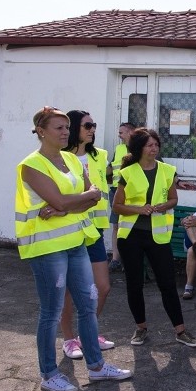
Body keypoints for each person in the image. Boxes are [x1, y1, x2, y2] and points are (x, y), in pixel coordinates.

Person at [15, 106, 132, 391]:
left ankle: (96, 365)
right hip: (47, 248)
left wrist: (64, 205)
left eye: (67, 127)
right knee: (51, 312)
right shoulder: (32, 164)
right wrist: (69, 202)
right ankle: (49, 373)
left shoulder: (71, 158)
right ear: (41, 131)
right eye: (59, 127)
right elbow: (72, 199)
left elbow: (93, 196)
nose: (66, 132)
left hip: (76, 241)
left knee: (88, 304)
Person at [112, 128, 196, 348]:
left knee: (168, 284)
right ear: (139, 148)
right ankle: (140, 328)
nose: (154, 148)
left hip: (157, 237)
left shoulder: (167, 170)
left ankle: (180, 331)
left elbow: (173, 199)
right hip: (131, 236)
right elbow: (117, 206)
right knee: (134, 284)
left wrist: (163, 206)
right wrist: (139, 210)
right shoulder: (127, 172)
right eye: (149, 145)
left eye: (156, 145)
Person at [58, 111, 115, 359]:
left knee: (102, 287)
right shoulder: (59, 158)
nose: (92, 130)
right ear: (74, 129)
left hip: (94, 232)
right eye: (87, 125)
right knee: (71, 291)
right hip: (70, 230)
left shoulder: (100, 156)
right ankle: (69, 339)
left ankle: (87, 335)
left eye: (94, 125)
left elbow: (108, 185)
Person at [108, 122, 134, 272]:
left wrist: (177, 180)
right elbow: (111, 168)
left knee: (130, 227)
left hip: (132, 193)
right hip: (116, 191)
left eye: (121, 132)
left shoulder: (141, 147)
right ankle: (116, 259)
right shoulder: (118, 149)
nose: (119, 135)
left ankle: (129, 259)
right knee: (116, 225)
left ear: (130, 132)